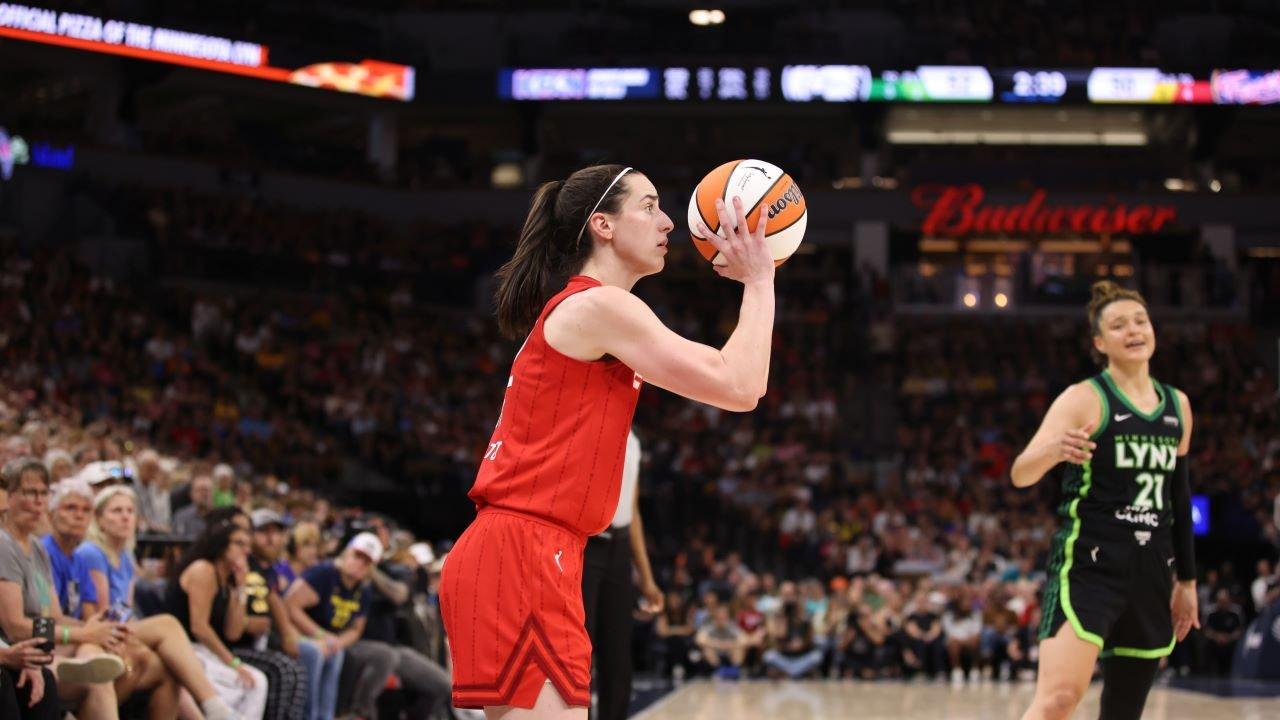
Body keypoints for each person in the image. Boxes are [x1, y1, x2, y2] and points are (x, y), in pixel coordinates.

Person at [440, 163, 775, 719]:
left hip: (544, 550)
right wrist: (760, 281)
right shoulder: (599, 306)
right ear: (603, 225)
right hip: (521, 550)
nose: (669, 221)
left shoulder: (596, 311)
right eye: (649, 206)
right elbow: (740, 386)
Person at [1012, 281, 1198, 720]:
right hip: (1089, 567)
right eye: (1118, 325)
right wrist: (1054, 449)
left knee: (1123, 712)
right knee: (1058, 701)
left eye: (1140, 321)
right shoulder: (1083, 398)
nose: (1133, 330)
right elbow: (1021, 473)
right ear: (1100, 342)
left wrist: (1187, 582)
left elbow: (1180, 496)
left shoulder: (1178, 406)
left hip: (1151, 569)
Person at [46, 479, 237, 719]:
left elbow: (113, 611)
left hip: (97, 634)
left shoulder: (115, 555)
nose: (126, 517)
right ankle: (215, 708)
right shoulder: (88, 553)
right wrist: (88, 633)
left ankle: (214, 709)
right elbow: (81, 617)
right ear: (101, 521)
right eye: (117, 511)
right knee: (164, 627)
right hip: (72, 641)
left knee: (165, 665)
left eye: (130, 511)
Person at [582, 430, 663, 720]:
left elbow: (633, 511)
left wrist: (647, 577)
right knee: (581, 652)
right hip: (586, 543)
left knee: (618, 656)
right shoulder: (590, 427)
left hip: (619, 548)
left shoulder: (634, 441)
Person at [167, 518, 270, 719]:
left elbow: (233, 632)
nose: (246, 551)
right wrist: (233, 663)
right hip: (184, 647)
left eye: (248, 545)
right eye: (239, 543)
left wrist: (240, 587)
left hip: (208, 651)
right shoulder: (203, 570)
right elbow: (199, 628)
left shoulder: (229, 578)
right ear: (221, 543)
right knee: (231, 685)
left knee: (258, 681)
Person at [283, 533, 376, 720]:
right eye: (357, 556)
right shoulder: (324, 574)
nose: (359, 564)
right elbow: (289, 605)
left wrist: (337, 642)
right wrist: (320, 635)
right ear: (346, 554)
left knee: (337, 652)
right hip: (292, 631)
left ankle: (325, 716)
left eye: (366, 562)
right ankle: (306, 716)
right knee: (315, 652)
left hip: (325, 638)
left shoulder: (363, 590)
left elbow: (356, 629)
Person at [235, 509, 310, 720]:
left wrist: (288, 634)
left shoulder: (266, 568)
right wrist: (245, 622)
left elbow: (274, 598)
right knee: (285, 670)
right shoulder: (239, 564)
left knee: (299, 667)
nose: (271, 539)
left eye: (276, 533)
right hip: (234, 643)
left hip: (259, 639)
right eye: (264, 532)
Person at [173, 474, 215, 539]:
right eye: (199, 490)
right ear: (191, 494)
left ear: (213, 493)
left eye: (207, 490)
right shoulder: (181, 516)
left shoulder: (220, 518)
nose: (204, 494)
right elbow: (175, 544)